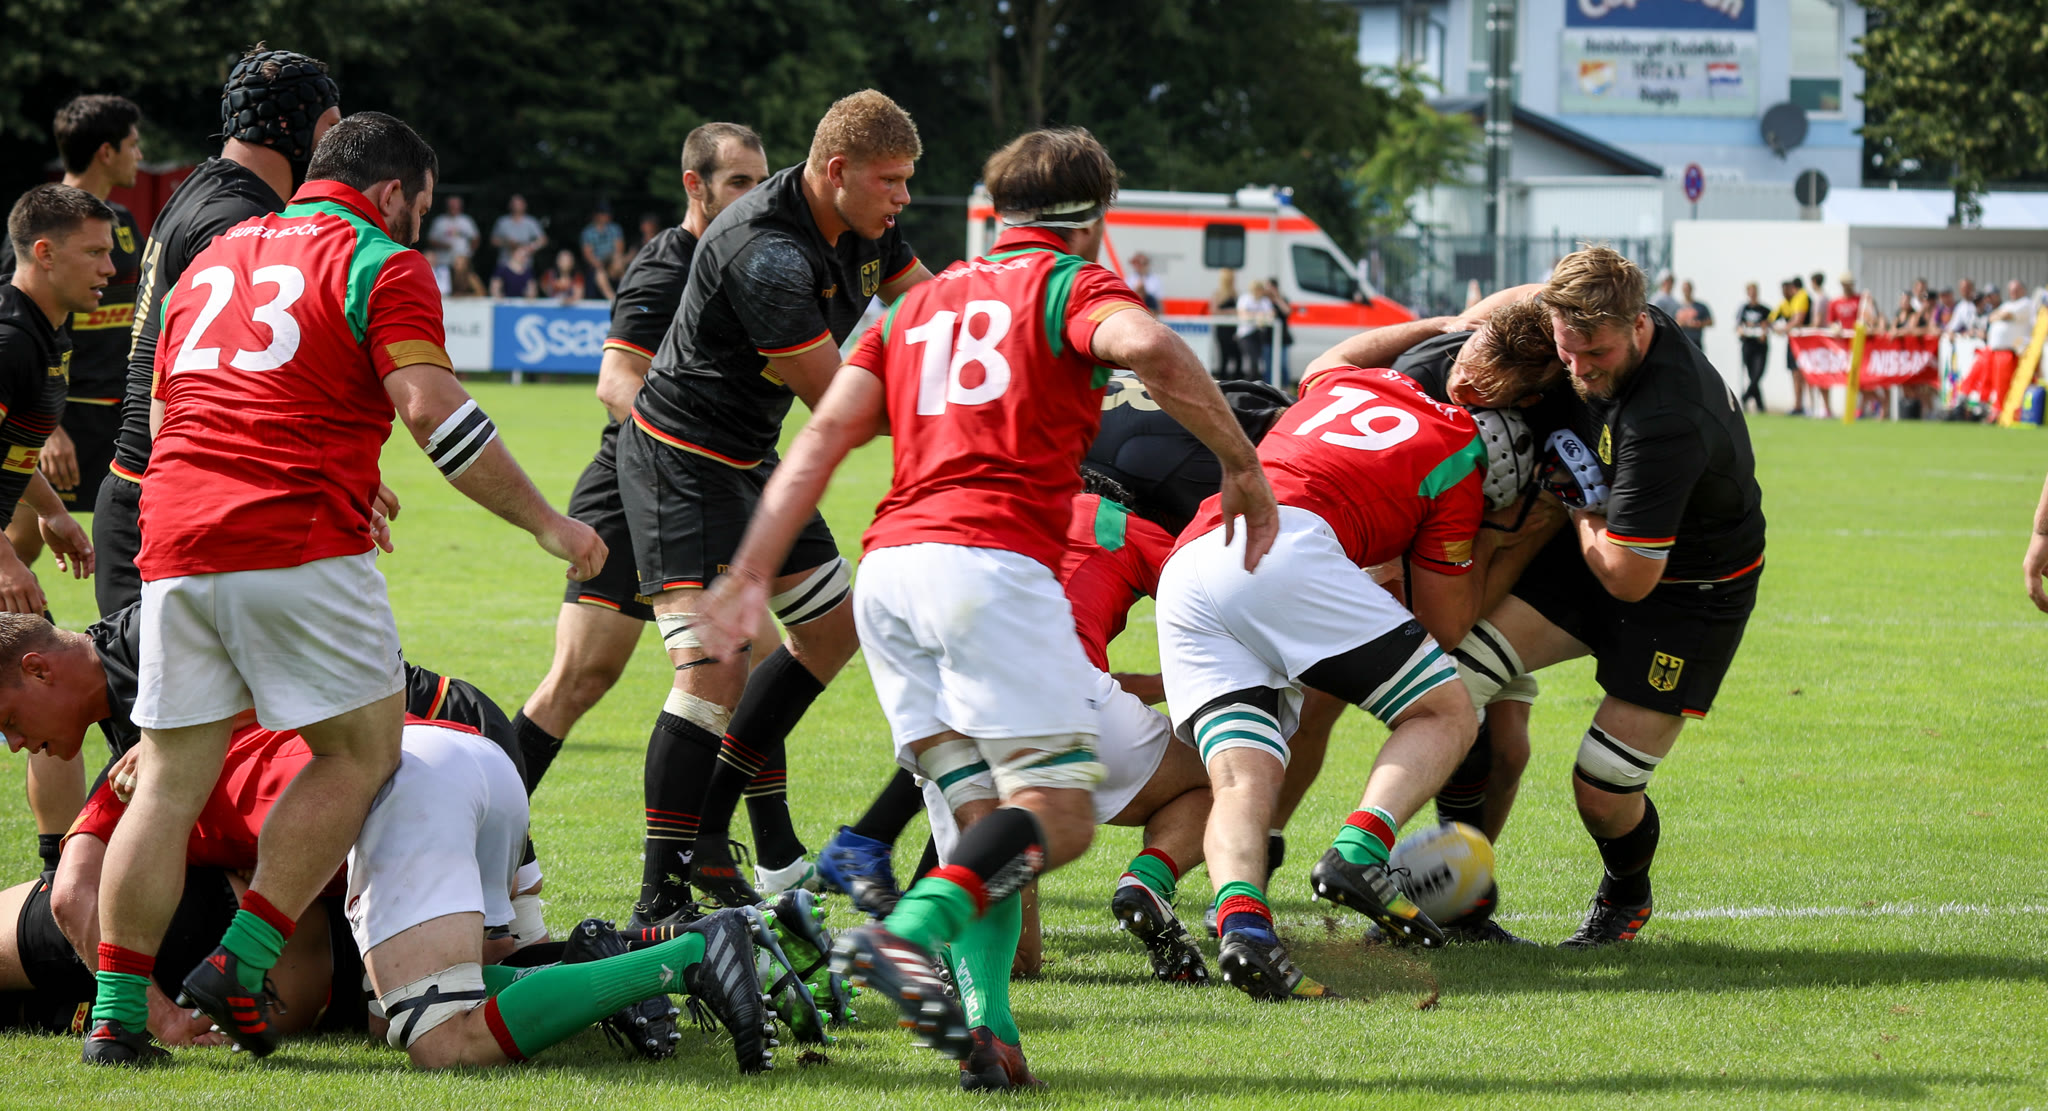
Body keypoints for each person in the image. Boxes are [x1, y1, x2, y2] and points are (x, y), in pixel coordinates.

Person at [690, 125, 1276, 1086]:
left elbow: (822, 436)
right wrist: (1242, 464)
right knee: (1060, 816)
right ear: (1092, 220)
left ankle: (989, 1034)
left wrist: (753, 570)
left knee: (980, 825)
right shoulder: (1070, 283)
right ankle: (907, 931)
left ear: (998, 213)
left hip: (890, 578)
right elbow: (1148, 345)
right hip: (989, 571)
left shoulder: (913, 304)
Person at [82, 111, 606, 1066]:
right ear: (393, 192)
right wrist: (550, 524)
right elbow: (433, 410)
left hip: (176, 536)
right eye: (423, 208)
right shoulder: (379, 259)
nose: (420, 226)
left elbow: (163, 411)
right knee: (362, 749)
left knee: (166, 780)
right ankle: (242, 958)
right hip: (293, 537)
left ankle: (115, 1016)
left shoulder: (214, 256)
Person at [613, 89, 933, 917]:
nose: (903, 197)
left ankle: (709, 827)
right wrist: (968, 420)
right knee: (712, 667)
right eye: (891, 180)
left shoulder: (868, 223)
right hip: (680, 462)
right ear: (838, 171)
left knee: (833, 628)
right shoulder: (767, 252)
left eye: (907, 180)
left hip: (750, 459)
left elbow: (938, 309)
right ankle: (658, 896)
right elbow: (840, 403)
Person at [1449, 245, 1765, 949]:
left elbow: (1628, 575)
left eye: (1598, 353)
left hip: (1687, 592)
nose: (1582, 368)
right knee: (1452, 685)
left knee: (1602, 784)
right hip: (1597, 544)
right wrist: (1450, 333)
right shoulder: (1575, 315)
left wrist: (1576, 503)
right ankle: (1460, 897)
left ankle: (1626, 892)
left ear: (1639, 324)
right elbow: (1501, 307)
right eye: (1570, 350)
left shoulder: (1667, 416)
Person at [514, 122, 770, 795]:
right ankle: (485, 821)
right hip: (635, 489)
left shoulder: (749, 260)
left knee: (757, 668)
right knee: (580, 679)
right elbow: (616, 382)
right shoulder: (668, 264)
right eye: (737, 182)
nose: (753, 196)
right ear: (695, 185)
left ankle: (759, 843)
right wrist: (696, 453)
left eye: (760, 182)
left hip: (699, 489)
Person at [96, 46, 342, 621]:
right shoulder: (238, 220)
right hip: (173, 504)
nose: (336, 148)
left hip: (149, 492)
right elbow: (236, 378)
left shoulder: (203, 189)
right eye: (330, 129)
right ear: (293, 130)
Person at [0, 97, 144, 551]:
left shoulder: (120, 221)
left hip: (117, 410)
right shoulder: (38, 231)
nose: (140, 155)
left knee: (135, 535)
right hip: (60, 412)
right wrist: (47, 431)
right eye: (133, 144)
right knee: (22, 541)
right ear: (107, 151)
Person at [0, 186, 105, 621]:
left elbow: (9, 447)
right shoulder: (10, 342)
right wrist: (6, 563)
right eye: (94, 253)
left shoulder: (46, 329)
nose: (110, 268)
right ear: (45, 253)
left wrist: (53, 511)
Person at [1768, 276, 1814, 417]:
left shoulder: (1801, 296)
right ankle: (1798, 405)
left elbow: (1798, 320)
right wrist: (1773, 327)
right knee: (1795, 372)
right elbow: (1771, 319)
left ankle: (1809, 405)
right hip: (1793, 341)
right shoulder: (1785, 303)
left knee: (1805, 372)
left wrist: (1783, 329)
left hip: (1804, 342)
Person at [428, 195, 482, 296]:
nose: (454, 208)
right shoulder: (439, 221)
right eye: (451, 206)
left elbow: (476, 239)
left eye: (456, 206)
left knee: (467, 280)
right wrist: (443, 245)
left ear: (460, 207)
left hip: (462, 262)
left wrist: (469, 254)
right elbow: (431, 240)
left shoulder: (466, 221)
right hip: (443, 262)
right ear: (447, 206)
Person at [1735, 282, 1771, 412]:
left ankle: (1744, 397)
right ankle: (1760, 405)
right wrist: (1741, 330)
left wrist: (1764, 330)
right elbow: (1738, 325)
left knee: (1758, 374)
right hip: (1748, 345)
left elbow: (1770, 325)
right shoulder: (1743, 309)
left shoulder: (1765, 310)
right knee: (1752, 376)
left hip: (1760, 346)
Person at [580, 204, 625, 299]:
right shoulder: (588, 232)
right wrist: (600, 265)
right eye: (603, 214)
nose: (606, 216)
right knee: (600, 273)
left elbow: (619, 249)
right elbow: (588, 254)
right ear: (597, 215)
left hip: (613, 262)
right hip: (598, 264)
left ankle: (625, 296)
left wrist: (614, 262)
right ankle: (612, 298)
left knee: (622, 271)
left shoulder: (615, 229)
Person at [1235, 279, 1274, 383]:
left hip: (1259, 334)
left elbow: (1270, 315)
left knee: (1257, 360)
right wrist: (1259, 316)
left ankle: (1254, 381)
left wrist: (1255, 316)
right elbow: (1242, 314)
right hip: (1246, 334)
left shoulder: (1264, 301)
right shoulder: (1245, 299)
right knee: (1252, 359)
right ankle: (1250, 381)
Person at [1209, 269, 1241, 379]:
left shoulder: (1235, 294)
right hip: (1222, 329)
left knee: (1237, 356)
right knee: (1224, 356)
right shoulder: (1218, 294)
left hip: (1233, 328)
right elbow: (1214, 311)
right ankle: (1223, 379)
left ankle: (1235, 379)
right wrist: (1230, 311)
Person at [1676, 279, 1712, 350]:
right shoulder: (1676, 307)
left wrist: (1699, 323)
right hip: (1681, 343)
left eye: (1688, 289)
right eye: (1685, 289)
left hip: (1696, 343)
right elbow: (1672, 321)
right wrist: (1685, 323)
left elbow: (1710, 322)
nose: (1687, 291)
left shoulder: (1700, 307)